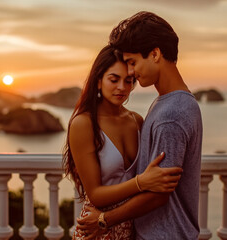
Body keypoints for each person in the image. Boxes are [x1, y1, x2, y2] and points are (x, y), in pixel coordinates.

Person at [77, 11, 203, 240]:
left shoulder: (170, 114)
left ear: (155, 54)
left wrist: (105, 220)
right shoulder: (169, 103)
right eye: (115, 78)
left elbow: (158, 194)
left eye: (132, 63)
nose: (131, 73)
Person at [62, 45, 183, 239]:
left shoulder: (137, 121)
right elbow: (95, 194)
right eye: (114, 79)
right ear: (98, 81)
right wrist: (140, 182)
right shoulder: (84, 123)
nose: (122, 88)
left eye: (129, 81)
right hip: (97, 228)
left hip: (131, 226)